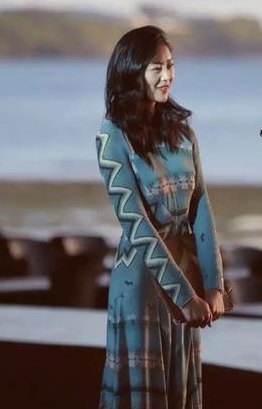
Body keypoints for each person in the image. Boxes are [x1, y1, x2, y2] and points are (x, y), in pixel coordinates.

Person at [96, 25, 225, 409]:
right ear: (132, 72)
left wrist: (214, 285)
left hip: (187, 278)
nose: (167, 75)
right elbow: (136, 224)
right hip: (141, 286)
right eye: (157, 68)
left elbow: (200, 206)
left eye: (170, 65)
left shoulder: (182, 132)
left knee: (180, 392)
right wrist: (184, 295)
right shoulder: (112, 135)